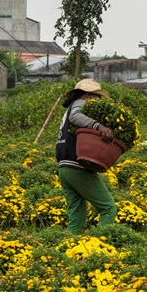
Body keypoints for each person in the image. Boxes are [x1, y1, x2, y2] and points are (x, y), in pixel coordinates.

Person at [55, 79, 118, 234]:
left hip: (64, 169)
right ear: (88, 95)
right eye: (96, 97)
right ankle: (99, 247)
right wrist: (99, 126)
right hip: (77, 168)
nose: (97, 101)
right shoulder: (79, 104)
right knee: (108, 207)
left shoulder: (68, 109)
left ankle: (67, 250)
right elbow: (76, 117)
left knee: (77, 216)